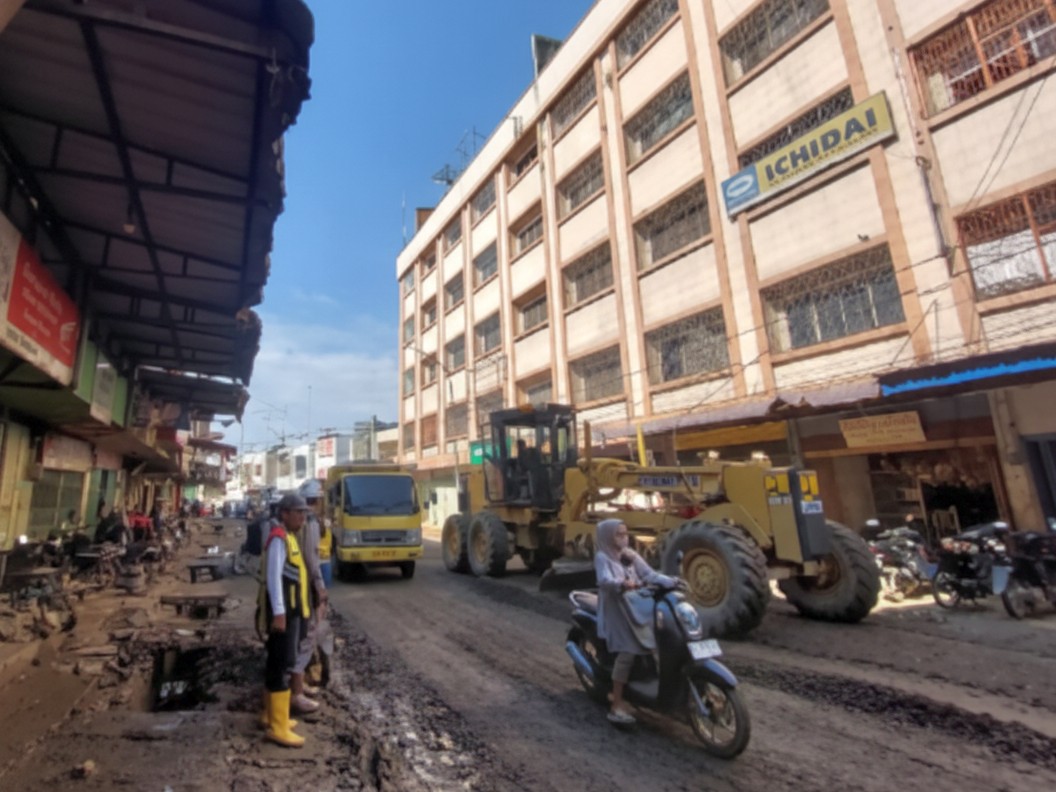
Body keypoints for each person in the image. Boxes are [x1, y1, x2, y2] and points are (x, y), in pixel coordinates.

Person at [594, 518, 676, 725]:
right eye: (618, 534)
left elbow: (649, 574)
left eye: (625, 533)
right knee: (628, 652)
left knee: (659, 638)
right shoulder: (603, 557)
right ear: (607, 537)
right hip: (616, 609)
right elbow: (604, 580)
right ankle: (616, 706)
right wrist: (621, 584)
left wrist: (673, 581)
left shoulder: (629, 555)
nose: (624, 538)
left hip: (636, 606)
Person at [256, 493, 312, 747]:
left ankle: (271, 714)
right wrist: (279, 613)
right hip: (284, 614)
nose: (302, 517)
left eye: (304, 513)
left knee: (277, 661)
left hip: (292, 611)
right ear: (285, 513)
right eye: (298, 513)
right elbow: (274, 579)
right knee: (282, 663)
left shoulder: (289, 536)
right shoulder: (279, 539)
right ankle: (278, 727)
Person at [289, 480, 329, 714]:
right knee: (307, 637)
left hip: (296, 584)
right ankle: (297, 693)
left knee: (300, 636)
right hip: (307, 586)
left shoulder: (296, 524)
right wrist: (320, 588)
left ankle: (298, 685)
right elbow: (312, 559)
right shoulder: (311, 523)